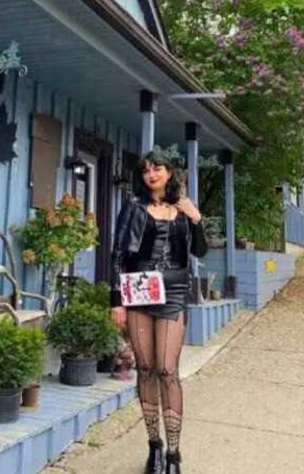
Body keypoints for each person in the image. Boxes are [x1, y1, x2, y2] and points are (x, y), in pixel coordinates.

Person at [110, 150, 206, 474]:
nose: (152, 175)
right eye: (146, 170)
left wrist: (196, 218)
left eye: (157, 168)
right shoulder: (134, 207)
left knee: (167, 369)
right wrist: (116, 300)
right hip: (140, 288)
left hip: (174, 290)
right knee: (146, 368)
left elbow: (200, 250)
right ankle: (155, 447)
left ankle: (175, 454)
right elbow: (118, 254)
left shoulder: (183, 208)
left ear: (169, 172)